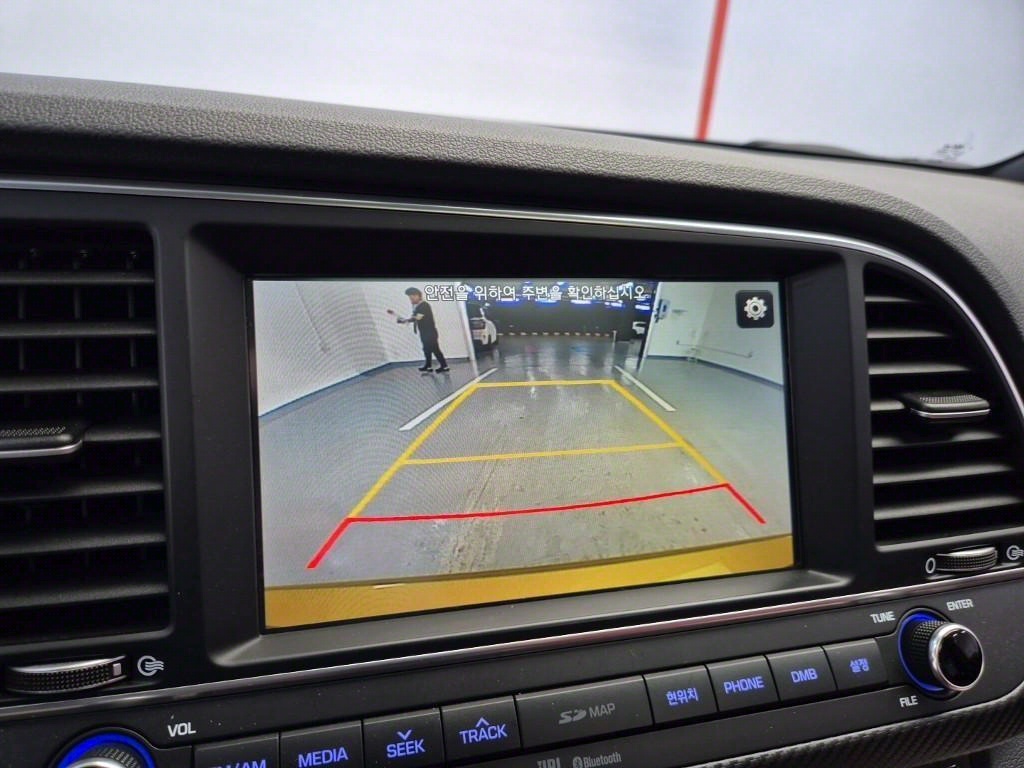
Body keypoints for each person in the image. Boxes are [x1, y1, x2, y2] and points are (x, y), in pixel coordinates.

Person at [390, 287, 449, 373]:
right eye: (410, 298)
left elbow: (418, 317)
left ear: (418, 296)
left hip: (430, 332)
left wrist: (406, 320)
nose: (411, 300)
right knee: (426, 349)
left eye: (412, 297)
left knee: (435, 349)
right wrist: (405, 320)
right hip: (424, 332)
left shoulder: (424, 305)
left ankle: (444, 366)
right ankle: (428, 366)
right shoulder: (417, 307)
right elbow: (414, 317)